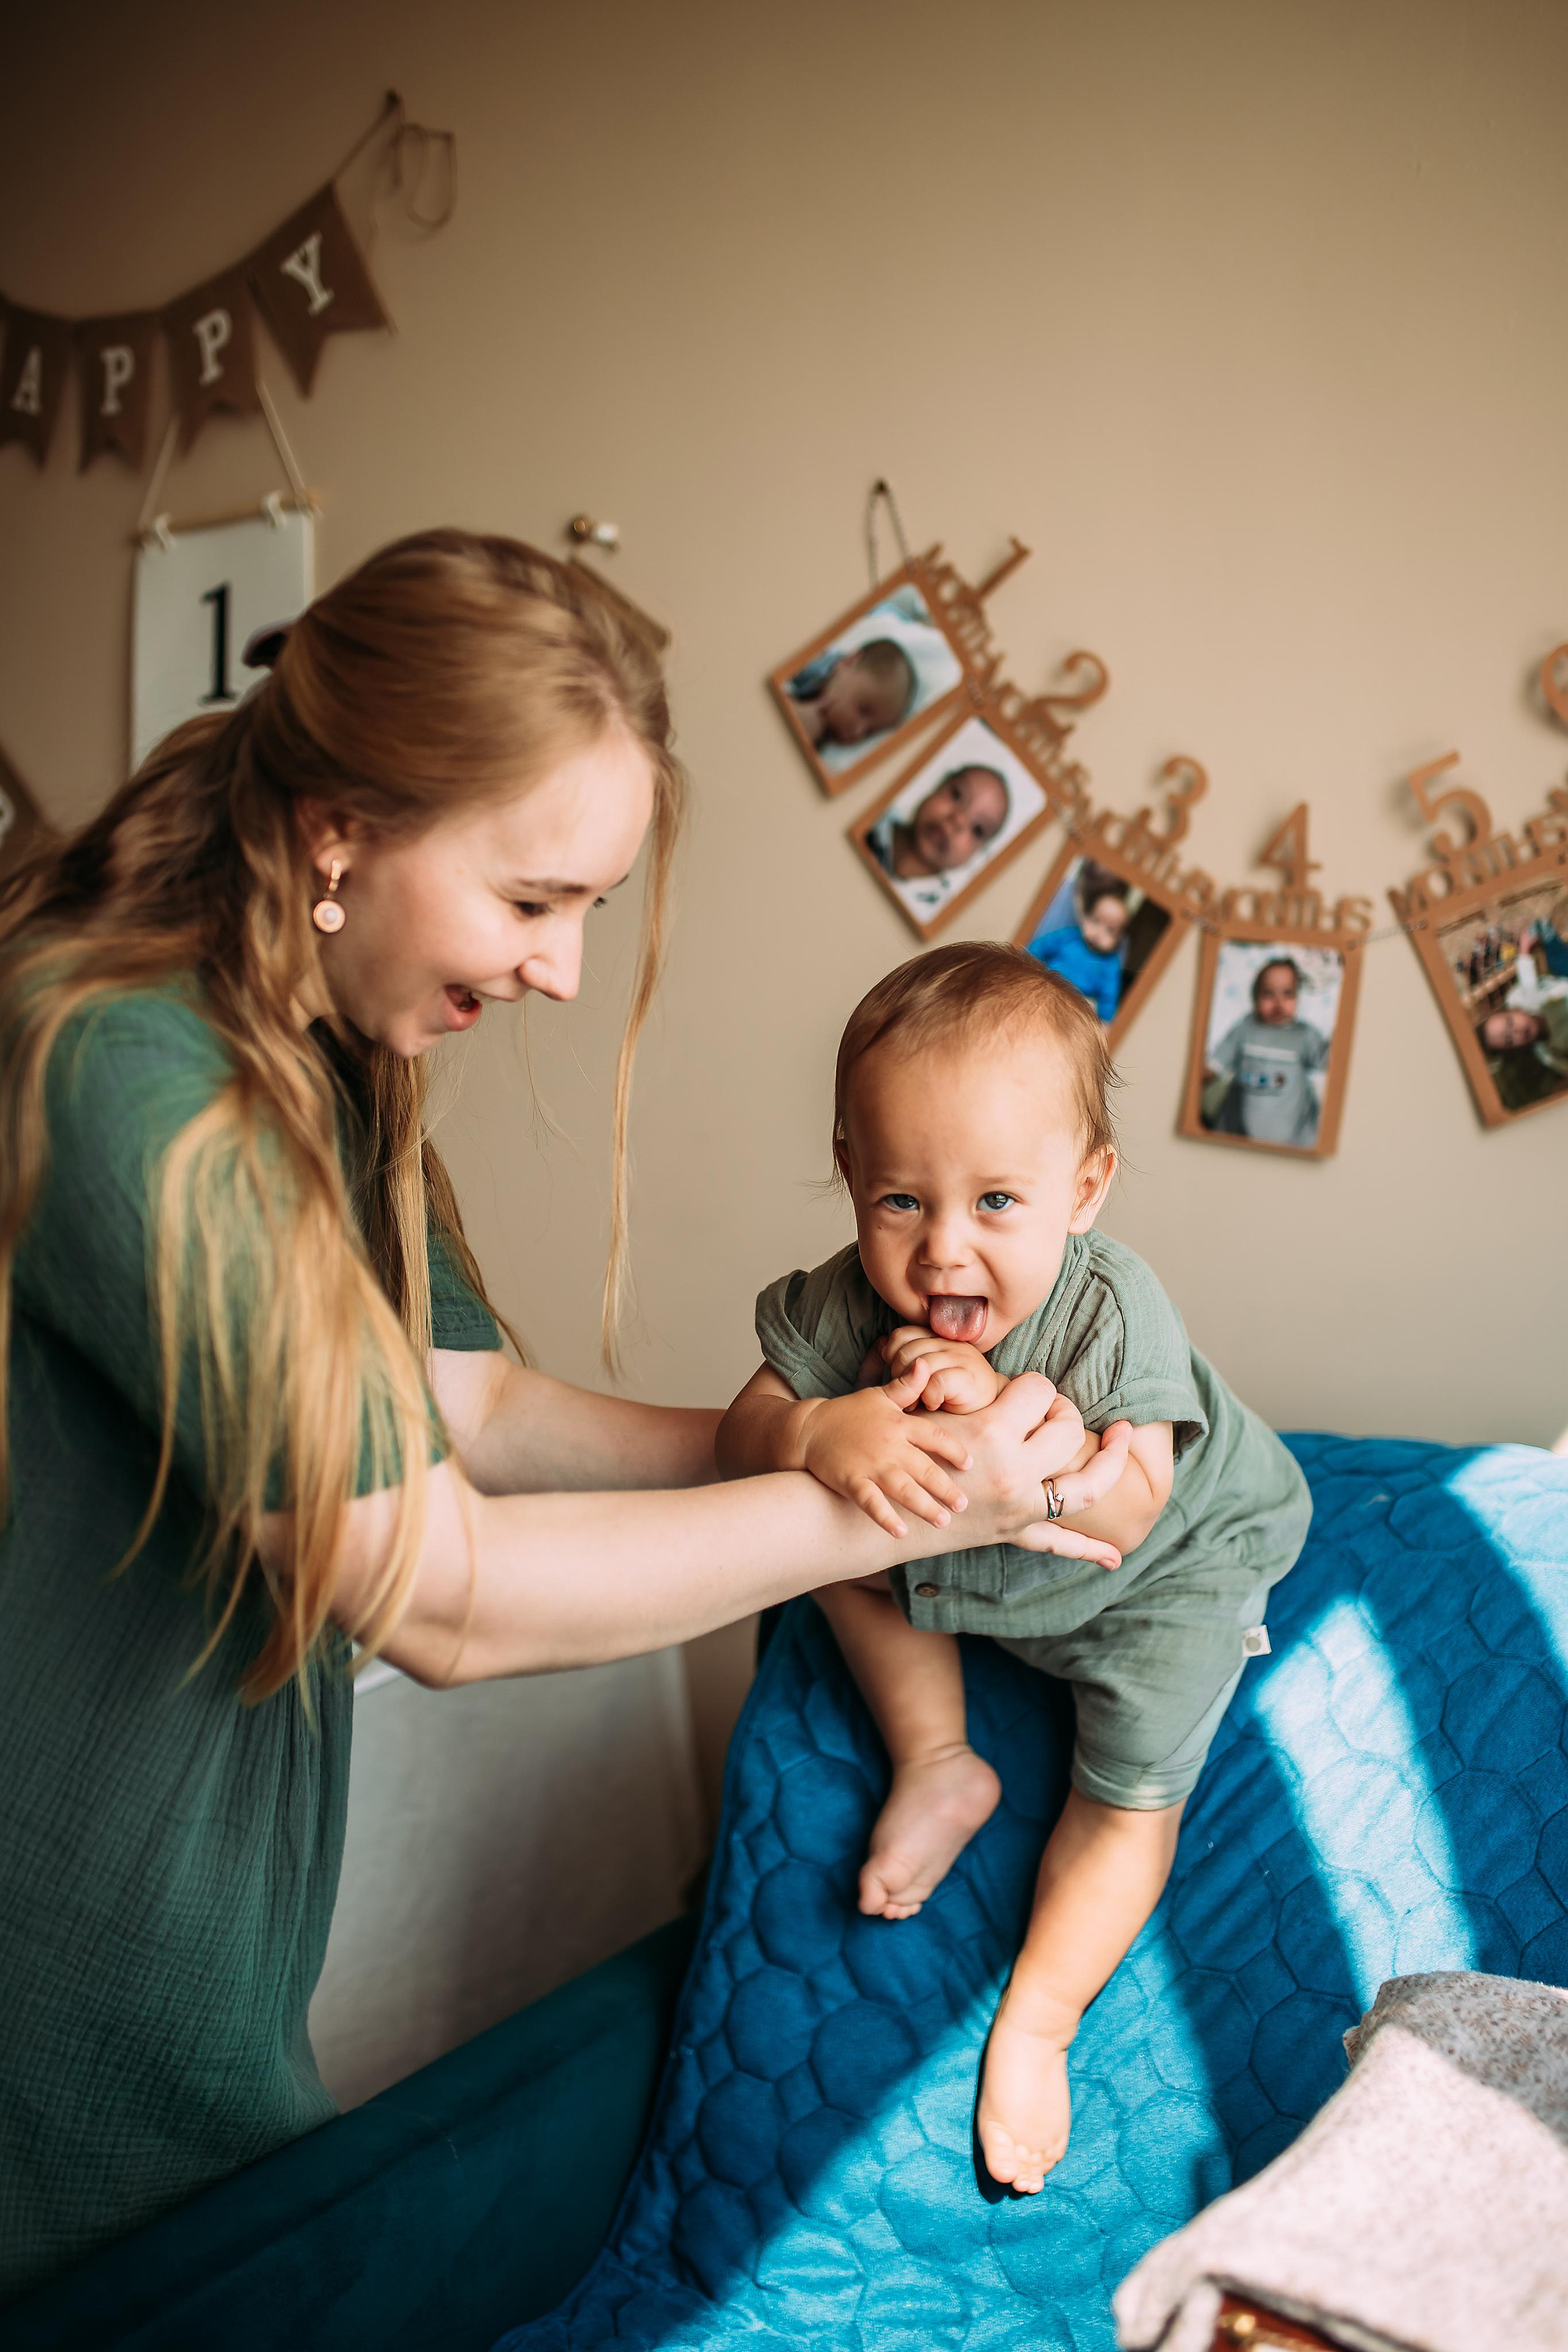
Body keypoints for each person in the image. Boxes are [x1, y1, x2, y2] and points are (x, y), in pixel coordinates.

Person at [0, 533, 1126, 2303]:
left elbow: (474, 1404)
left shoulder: (338, 1064)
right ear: (339, 835)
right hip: (47, 1962)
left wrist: (796, 1439)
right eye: (533, 902)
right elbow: (437, 1591)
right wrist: (920, 1503)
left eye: (594, 908)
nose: (565, 973)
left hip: (196, 1973)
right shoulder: (137, 1080)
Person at [717, 943, 1310, 2195]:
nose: (943, 1252)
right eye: (899, 1203)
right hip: (981, 1573)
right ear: (848, 1177)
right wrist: (813, 1431)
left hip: (1166, 1570)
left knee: (1130, 1786)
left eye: (995, 1203)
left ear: (1082, 1189)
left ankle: (1037, 2018)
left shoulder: (1107, 1308)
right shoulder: (839, 1308)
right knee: (820, 1543)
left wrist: (1002, 1412)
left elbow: (1131, 1504)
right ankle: (939, 1759)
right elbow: (739, 1432)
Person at [1202, 954, 1330, 1147]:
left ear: (1298, 996)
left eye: (1288, 993)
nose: (1279, 1003)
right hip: (1240, 1129)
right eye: (1269, 994)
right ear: (1255, 997)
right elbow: (1215, 1064)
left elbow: (1328, 1061)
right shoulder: (1245, 1029)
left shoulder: (1304, 1035)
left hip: (1293, 1133)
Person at [864, 762, 1011, 922]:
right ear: (937, 786)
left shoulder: (935, 915)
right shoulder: (871, 820)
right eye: (956, 795)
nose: (958, 819)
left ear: (979, 853)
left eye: (978, 829)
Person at [1027, 870, 1129, 1023]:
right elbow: (1041, 946)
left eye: (1110, 931)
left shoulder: (1111, 963)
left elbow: (1109, 994)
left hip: (1075, 1003)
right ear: (1087, 917)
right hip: (1047, 984)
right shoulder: (1072, 936)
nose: (1099, 932)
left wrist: (1105, 1020)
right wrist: (1026, 961)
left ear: (1119, 939)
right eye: (1096, 921)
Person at [1477, 951, 1568, 1113]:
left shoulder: (1533, 1000)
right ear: (1516, 1049)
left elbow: (1527, 973)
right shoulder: (1550, 1054)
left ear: (1514, 1011)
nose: (1517, 1031)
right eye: (1510, 1040)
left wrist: (1525, 948)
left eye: (1510, 1022)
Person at [787, 636, 915, 751]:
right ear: (849, 662)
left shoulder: (829, 732)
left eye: (869, 732)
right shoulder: (811, 661)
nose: (857, 731)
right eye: (863, 709)